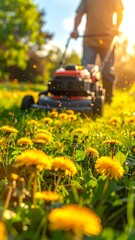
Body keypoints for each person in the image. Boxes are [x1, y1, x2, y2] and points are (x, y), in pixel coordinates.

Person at [71, 0, 124, 104]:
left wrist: (116, 27)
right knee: (87, 71)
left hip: (108, 39)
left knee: (107, 70)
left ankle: (108, 100)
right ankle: (85, 98)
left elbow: (120, 12)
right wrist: (75, 29)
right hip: (89, 39)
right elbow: (79, 13)